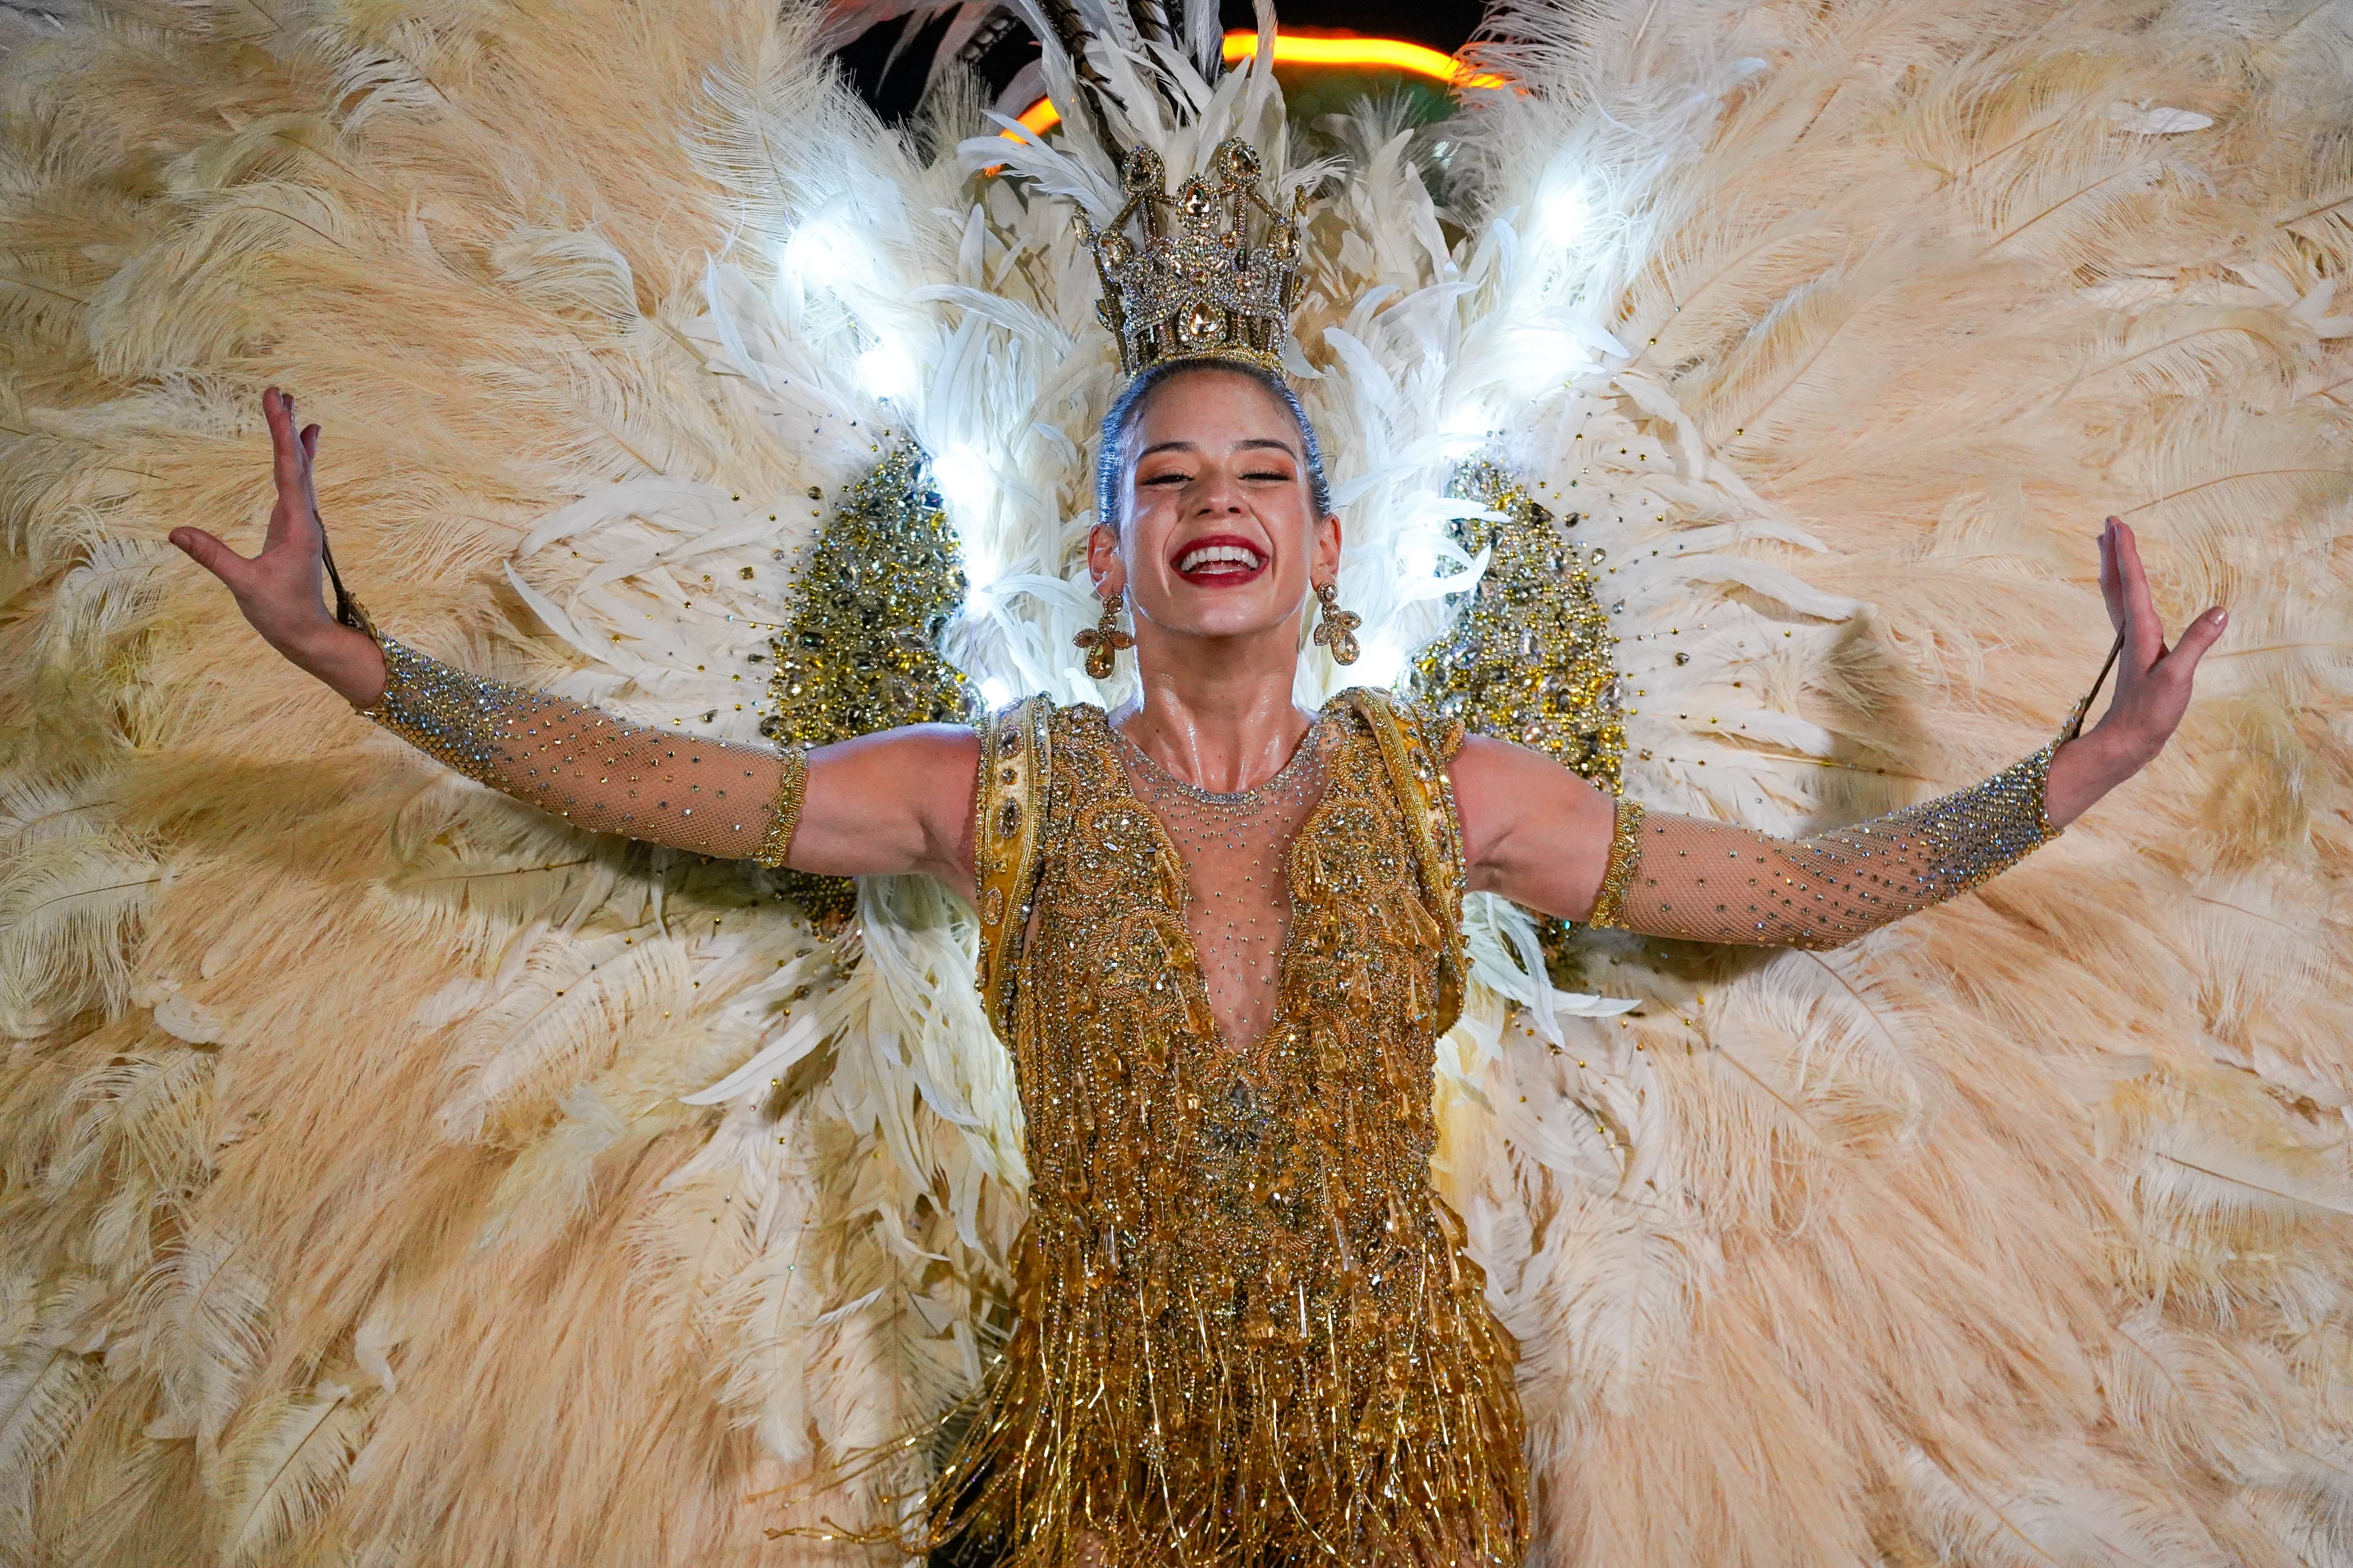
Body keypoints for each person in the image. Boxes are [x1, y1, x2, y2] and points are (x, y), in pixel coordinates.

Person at [170, 362, 2222, 1565]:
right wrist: (359, 656)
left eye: (1262, 480)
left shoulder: (1454, 790)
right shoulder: (991, 793)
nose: (1215, 506)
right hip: (1092, 1464)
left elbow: (1788, 893)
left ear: (1328, 550)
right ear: (1108, 559)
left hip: (1406, 1460)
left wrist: (2076, 771)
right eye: (1167, 481)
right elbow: (658, 784)